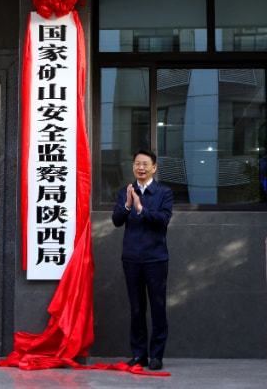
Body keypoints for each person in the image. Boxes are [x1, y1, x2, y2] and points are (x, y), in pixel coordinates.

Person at [112, 148, 173, 371]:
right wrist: (128, 205)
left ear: (154, 168)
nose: (141, 167)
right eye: (137, 163)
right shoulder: (126, 191)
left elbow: (163, 219)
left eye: (145, 164)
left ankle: (156, 356)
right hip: (132, 259)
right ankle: (139, 355)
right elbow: (116, 220)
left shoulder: (164, 192)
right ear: (133, 167)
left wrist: (140, 208)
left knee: (158, 308)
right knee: (136, 309)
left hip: (156, 258)